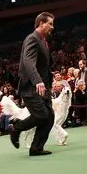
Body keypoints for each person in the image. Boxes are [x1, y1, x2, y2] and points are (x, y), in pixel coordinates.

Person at [9, 12, 55, 156]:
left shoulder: (43, 41)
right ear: (41, 23)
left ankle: (36, 148)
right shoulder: (32, 38)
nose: (52, 27)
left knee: (50, 117)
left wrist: (47, 85)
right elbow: (28, 61)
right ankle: (16, 128)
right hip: (31, 86)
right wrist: (38, 81)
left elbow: (44, 67)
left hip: (42, 87)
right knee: (41, 115)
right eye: (50, 24)